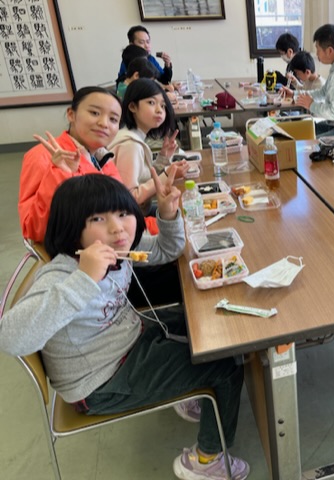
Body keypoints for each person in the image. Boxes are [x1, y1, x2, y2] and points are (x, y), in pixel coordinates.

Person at [0, 173, 250, 480]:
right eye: (97, 219)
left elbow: (166, 251)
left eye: (122, 213)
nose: (117, 228)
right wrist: (84, 279)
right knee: (225, 363)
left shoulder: (118, 247)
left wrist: (167, 215)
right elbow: (10, 337)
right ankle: (206, 460)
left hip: (129, 340)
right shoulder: (62, 275)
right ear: (71, 227)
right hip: (101, 383)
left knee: (206, 322)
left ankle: (189, 391)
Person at [19, 86, 123, 243]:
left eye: (113, 119)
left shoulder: (103, 158)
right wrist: (61, 174)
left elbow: (122, 211)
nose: (104, 123)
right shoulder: (42, 156)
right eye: (94, 113)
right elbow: (34, 229)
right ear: (71, 114)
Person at [109, 78, 189, 216]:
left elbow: (143, 178)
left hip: (140, 211)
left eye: (163, 105)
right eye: (151, 102)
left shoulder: (132, 136)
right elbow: (130, 198)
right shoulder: (130, 145)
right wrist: (167, 175)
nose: (159, 110)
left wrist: (163, 157)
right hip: (131, 219)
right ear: (132, 107)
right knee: (185, 214)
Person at [285, 24, 334, 137]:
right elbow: (322, 93)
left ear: (329, 51)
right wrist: (295, 94)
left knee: (307, 141)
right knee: (300, 130)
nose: (317, 53)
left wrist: (311, 105)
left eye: (318, 49)